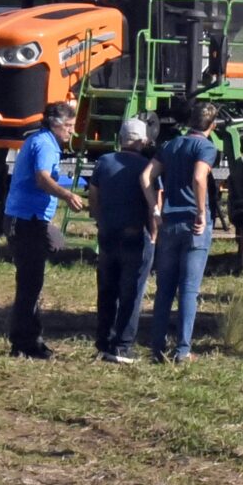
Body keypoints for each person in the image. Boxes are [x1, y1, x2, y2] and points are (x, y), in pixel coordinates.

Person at [1, 99, 86, 358]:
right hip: (26, 220)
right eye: (69, 126)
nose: (72, 131)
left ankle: (28, 338)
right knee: (30, 284)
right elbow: (42, 179)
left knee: (34, 278)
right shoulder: (46, 145)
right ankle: (25, 343)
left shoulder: (42, 142)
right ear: (55, 124)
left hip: (31, 219)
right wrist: (66, 195)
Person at [147, 104, 219, 364]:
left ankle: (157, 347)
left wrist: (155, 208)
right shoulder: (206, 147)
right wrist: (201, 212)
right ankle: (182, 349)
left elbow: (147, 176)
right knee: (189, 289)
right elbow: (200, 178)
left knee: (164, 288)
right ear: (212, 125)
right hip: (193, 224)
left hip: (169, 220)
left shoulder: (170, 145)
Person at [88, 118, 162, 363]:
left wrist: (101, 221)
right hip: (134, 235)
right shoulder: (147, 167)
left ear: (121, 139)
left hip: (108, 234)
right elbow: (154, 203)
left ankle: (103, 342)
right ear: (142, 141)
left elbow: (94, 198)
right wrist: (153, 235)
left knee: (107, 290)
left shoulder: (103, 163)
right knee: (131, 293)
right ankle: (122, 346)